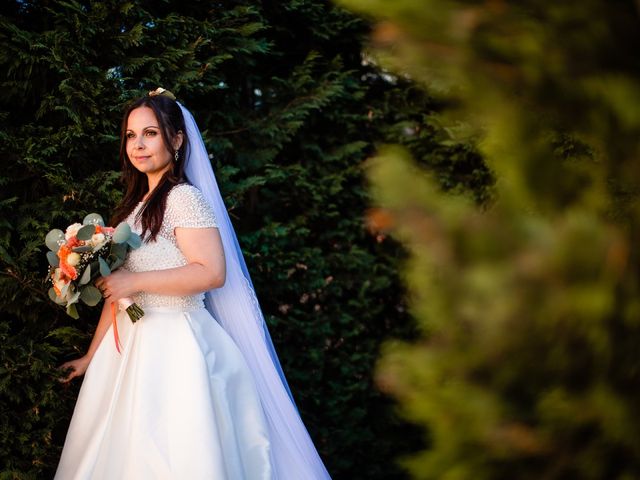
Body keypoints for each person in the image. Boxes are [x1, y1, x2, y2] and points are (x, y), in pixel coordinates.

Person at [55, 88, 332, 479]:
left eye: (150, 133)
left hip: (176, 345)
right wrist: (90, 355)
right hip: (129, 346)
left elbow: (211, 272)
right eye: (131, 136)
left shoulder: (183, 198)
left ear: (177, 140)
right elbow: (117, 294)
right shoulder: (133, 209)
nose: (139, 145)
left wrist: (133, 279)